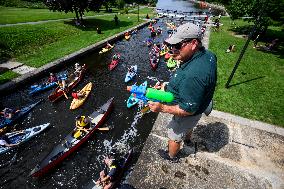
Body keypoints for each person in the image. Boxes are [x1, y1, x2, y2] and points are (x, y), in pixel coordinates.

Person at [148, 22, 217, 162]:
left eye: (178, 45)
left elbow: (188, 110)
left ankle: (172, 156)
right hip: (199, 105)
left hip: (188, 111)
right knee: (190, 125)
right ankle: (188, 139)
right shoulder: (209, 55)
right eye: (171, 46)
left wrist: (162, 108)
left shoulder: (193, 75)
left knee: (174, 134)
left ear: (193, 43)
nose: (172, 49)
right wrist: (167, 86)